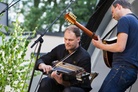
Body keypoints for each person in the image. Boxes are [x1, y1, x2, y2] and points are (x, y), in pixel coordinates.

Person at [92, 0, 138, 92]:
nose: (113, 16)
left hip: (122, 69)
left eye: (112, 12)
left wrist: (101, 46)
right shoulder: (135, 21)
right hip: (132, 72)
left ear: (118, 6)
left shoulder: (124, 19)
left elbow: (120, 47)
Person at [35, 25, 92, 92]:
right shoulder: (60, 48)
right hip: (60, 84)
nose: (67, 42)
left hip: (75, 88)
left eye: (70, 40)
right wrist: (42, 65)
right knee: (45, 82)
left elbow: (83, 84)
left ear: (78, 39)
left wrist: (62, 82)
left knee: (68, 91)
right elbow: (42, 59)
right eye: (65, 39)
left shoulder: (84, 57)